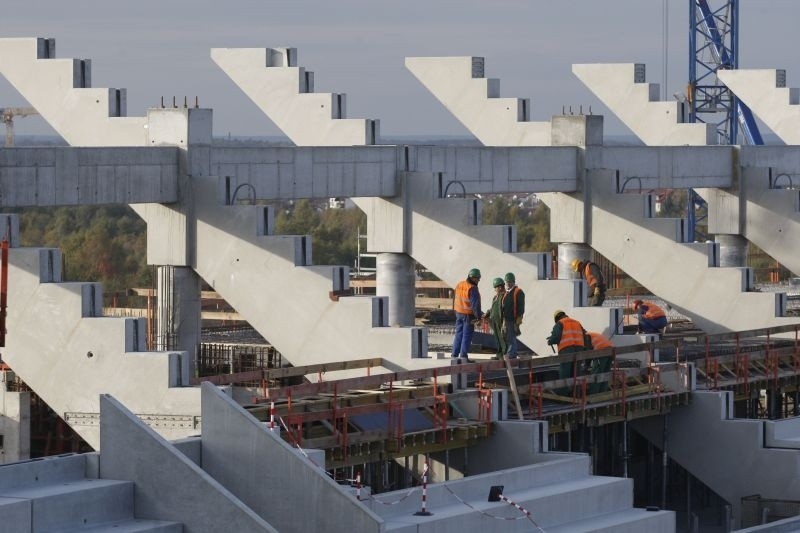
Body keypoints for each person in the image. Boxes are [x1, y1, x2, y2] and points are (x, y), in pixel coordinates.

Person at [546, 310, 587, 386]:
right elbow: (585, 336)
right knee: (576, 373)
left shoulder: (560, 323)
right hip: (579, 350)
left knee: (565, 374)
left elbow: (556, 337)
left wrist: (550, 341)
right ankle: (576, 393)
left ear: (557, 318)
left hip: (566, 350)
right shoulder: (577, 322)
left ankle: (563, 394)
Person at [451, 268, 483, 360]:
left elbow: (455, 298)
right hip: (468, 315)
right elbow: (475, 305)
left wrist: (455, 310)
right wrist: (478, 318)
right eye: (478, 278)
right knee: (467, 336)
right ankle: (463, 357)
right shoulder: (472, 288)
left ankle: (454, 356)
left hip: (458, 313)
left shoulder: (460, 284)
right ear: (473, 277)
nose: (479, 280)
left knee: (458, 334)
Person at [501, 272, 525, 358]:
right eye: (507, 282)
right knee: (508, 337)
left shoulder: (518, 292)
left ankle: (512, 354)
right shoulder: (507, 293)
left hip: (513, 319)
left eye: (509, 282)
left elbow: (521, 307)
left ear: (513, 282)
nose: (508, 284)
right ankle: (511, 353)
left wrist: (518, 320)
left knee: (511, 337)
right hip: (507, 319)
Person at [484, 277, 507, 360]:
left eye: (496, 288)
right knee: (497, 338)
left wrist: (504, 321)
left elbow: (505, 309)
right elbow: (492, 308)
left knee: (502, 338)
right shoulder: (495, 297)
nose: (495, 289)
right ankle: (499, 354)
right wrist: (488, 313)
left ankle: (504, 355)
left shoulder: (504, 296)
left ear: (500, 287)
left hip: (500, 321)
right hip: (493, 321)